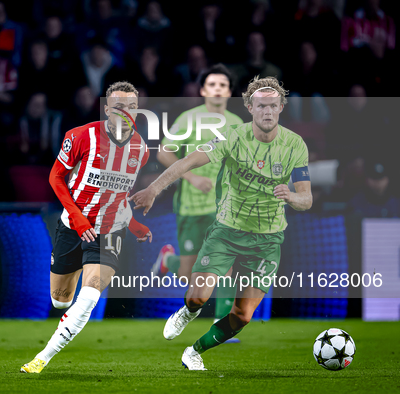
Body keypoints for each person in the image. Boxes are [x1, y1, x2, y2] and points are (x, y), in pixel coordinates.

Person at [130, 76, 312, 370]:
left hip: (268, 240)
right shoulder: (231, 135)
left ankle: (194, 350)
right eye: (261, 105)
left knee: (243, 316)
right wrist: (154, 188)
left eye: (273, 106)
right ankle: (186, 312)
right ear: (250, 107)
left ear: (281, 107)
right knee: (198, 297)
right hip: (227, 231)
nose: (267, 111)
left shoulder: (295, 145)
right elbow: (186, 161)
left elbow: (307, 199)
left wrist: (292, 196)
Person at [21, 81, 152, 373]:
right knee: (60, 301)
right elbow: (56, 178)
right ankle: (71, 281)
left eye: (132, 106)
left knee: (91, 291)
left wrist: (132, 224)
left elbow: (119, 196)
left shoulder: (140, 149)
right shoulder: (81, 136)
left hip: (108, 230)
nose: (126, 112)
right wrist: (78, 219)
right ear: (107, 110)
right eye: (119, 106)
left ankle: (42, 358)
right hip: (72, 224)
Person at [150, 64, 243, 336]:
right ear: (203, 90)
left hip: (225, 208)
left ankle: (223, 325)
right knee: (189, 275)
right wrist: (191, 178)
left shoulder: (238, 124)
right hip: (191, 206)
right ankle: (170, 261)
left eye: (222, 85)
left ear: (229, 91)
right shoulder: (189, 119)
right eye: (212, 84)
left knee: (226, 266)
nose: (217, 89)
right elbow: (164, 153)